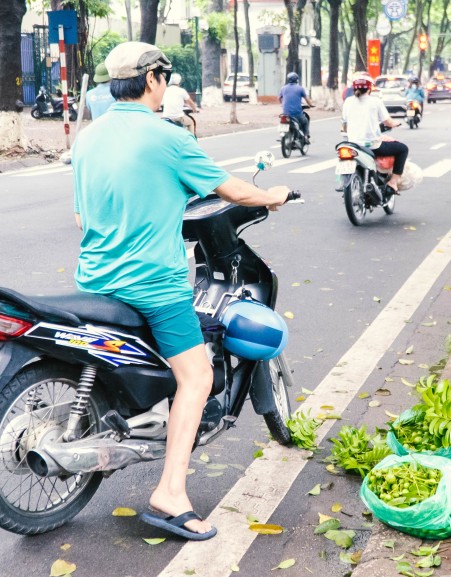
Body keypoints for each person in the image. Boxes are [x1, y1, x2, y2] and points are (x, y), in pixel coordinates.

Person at [71, 42, 291, 541]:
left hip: (94, 278)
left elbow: (83, 215)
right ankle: (170, 492)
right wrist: (272, 196)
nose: (166, 83)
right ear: (151, 79)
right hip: (152, 281)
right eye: (164, 75)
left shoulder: (88, 137)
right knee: (196, 375)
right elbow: (233, 191)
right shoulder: (165, 135)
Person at [341, 76, 408, 193]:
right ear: (370, 88)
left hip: (352, 145)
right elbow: (388, 122)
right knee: (403, 149)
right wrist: (396, 123)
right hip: (372, 145)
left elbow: (344, 124)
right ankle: (393, 182)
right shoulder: (375, 101)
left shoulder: (348, 101)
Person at [278, 72, 313, 142]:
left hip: (285, 114)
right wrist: (310, 105)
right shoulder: (300, 88)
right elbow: (307, 99)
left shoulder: (283, 88)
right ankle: (306, 136)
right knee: (305, 121)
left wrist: (282, 104)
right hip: (297, 114)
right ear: (297, 80)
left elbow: (279, 98)